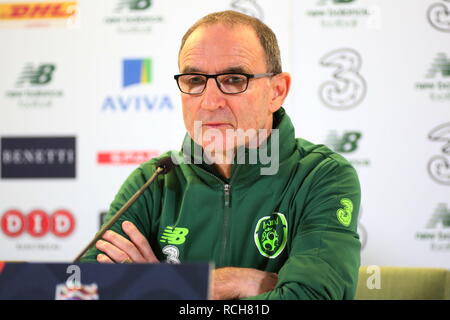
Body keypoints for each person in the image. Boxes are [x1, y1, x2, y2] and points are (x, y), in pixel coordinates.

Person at [80, 10, 361, 300]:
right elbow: (85, 290)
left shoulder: (322, 176)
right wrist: (231, 282)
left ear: (277, 91)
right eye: (194, 80)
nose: (211, 101)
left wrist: (158, 287)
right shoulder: (153, 181)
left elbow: (312, 298)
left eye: (234, 80)